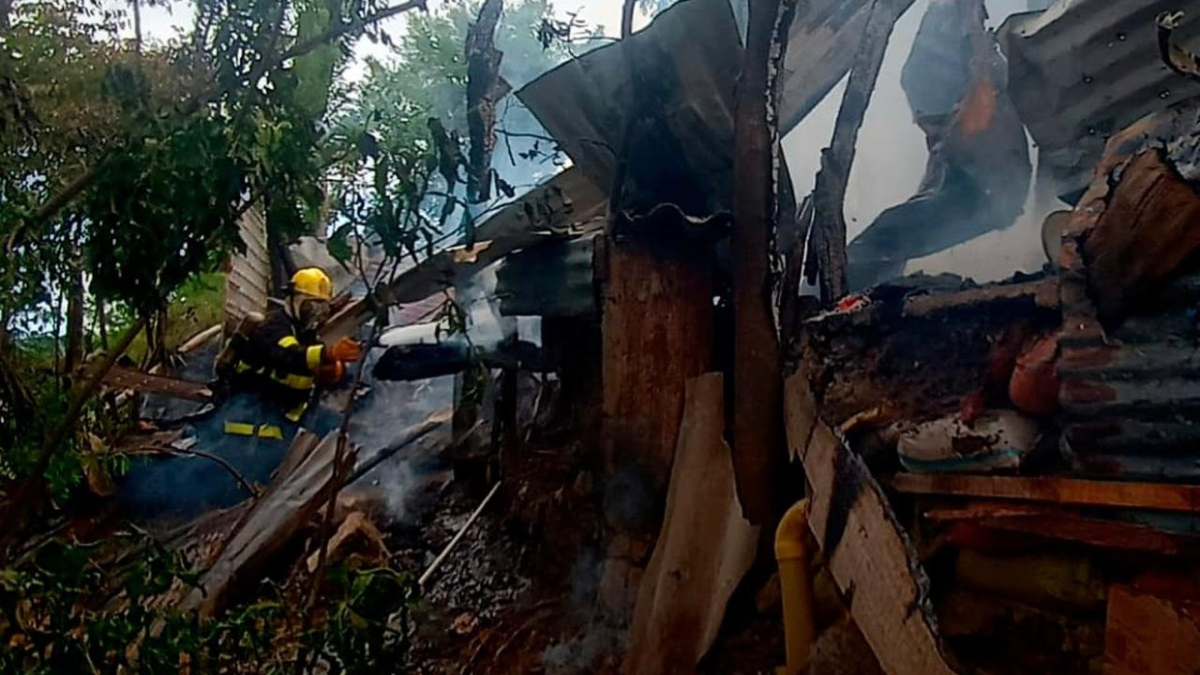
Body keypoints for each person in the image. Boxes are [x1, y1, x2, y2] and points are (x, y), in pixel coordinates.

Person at [216, 266, 362, 438]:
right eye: (310, 305)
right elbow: (289, 356)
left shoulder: (306, 335)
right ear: (293, 299)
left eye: (322, 307)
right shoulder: (273, 327)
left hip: (277, 429)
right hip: (242, 431)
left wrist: (336, 372)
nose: (315, 313)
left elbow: (312, 366)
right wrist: (327, 354)